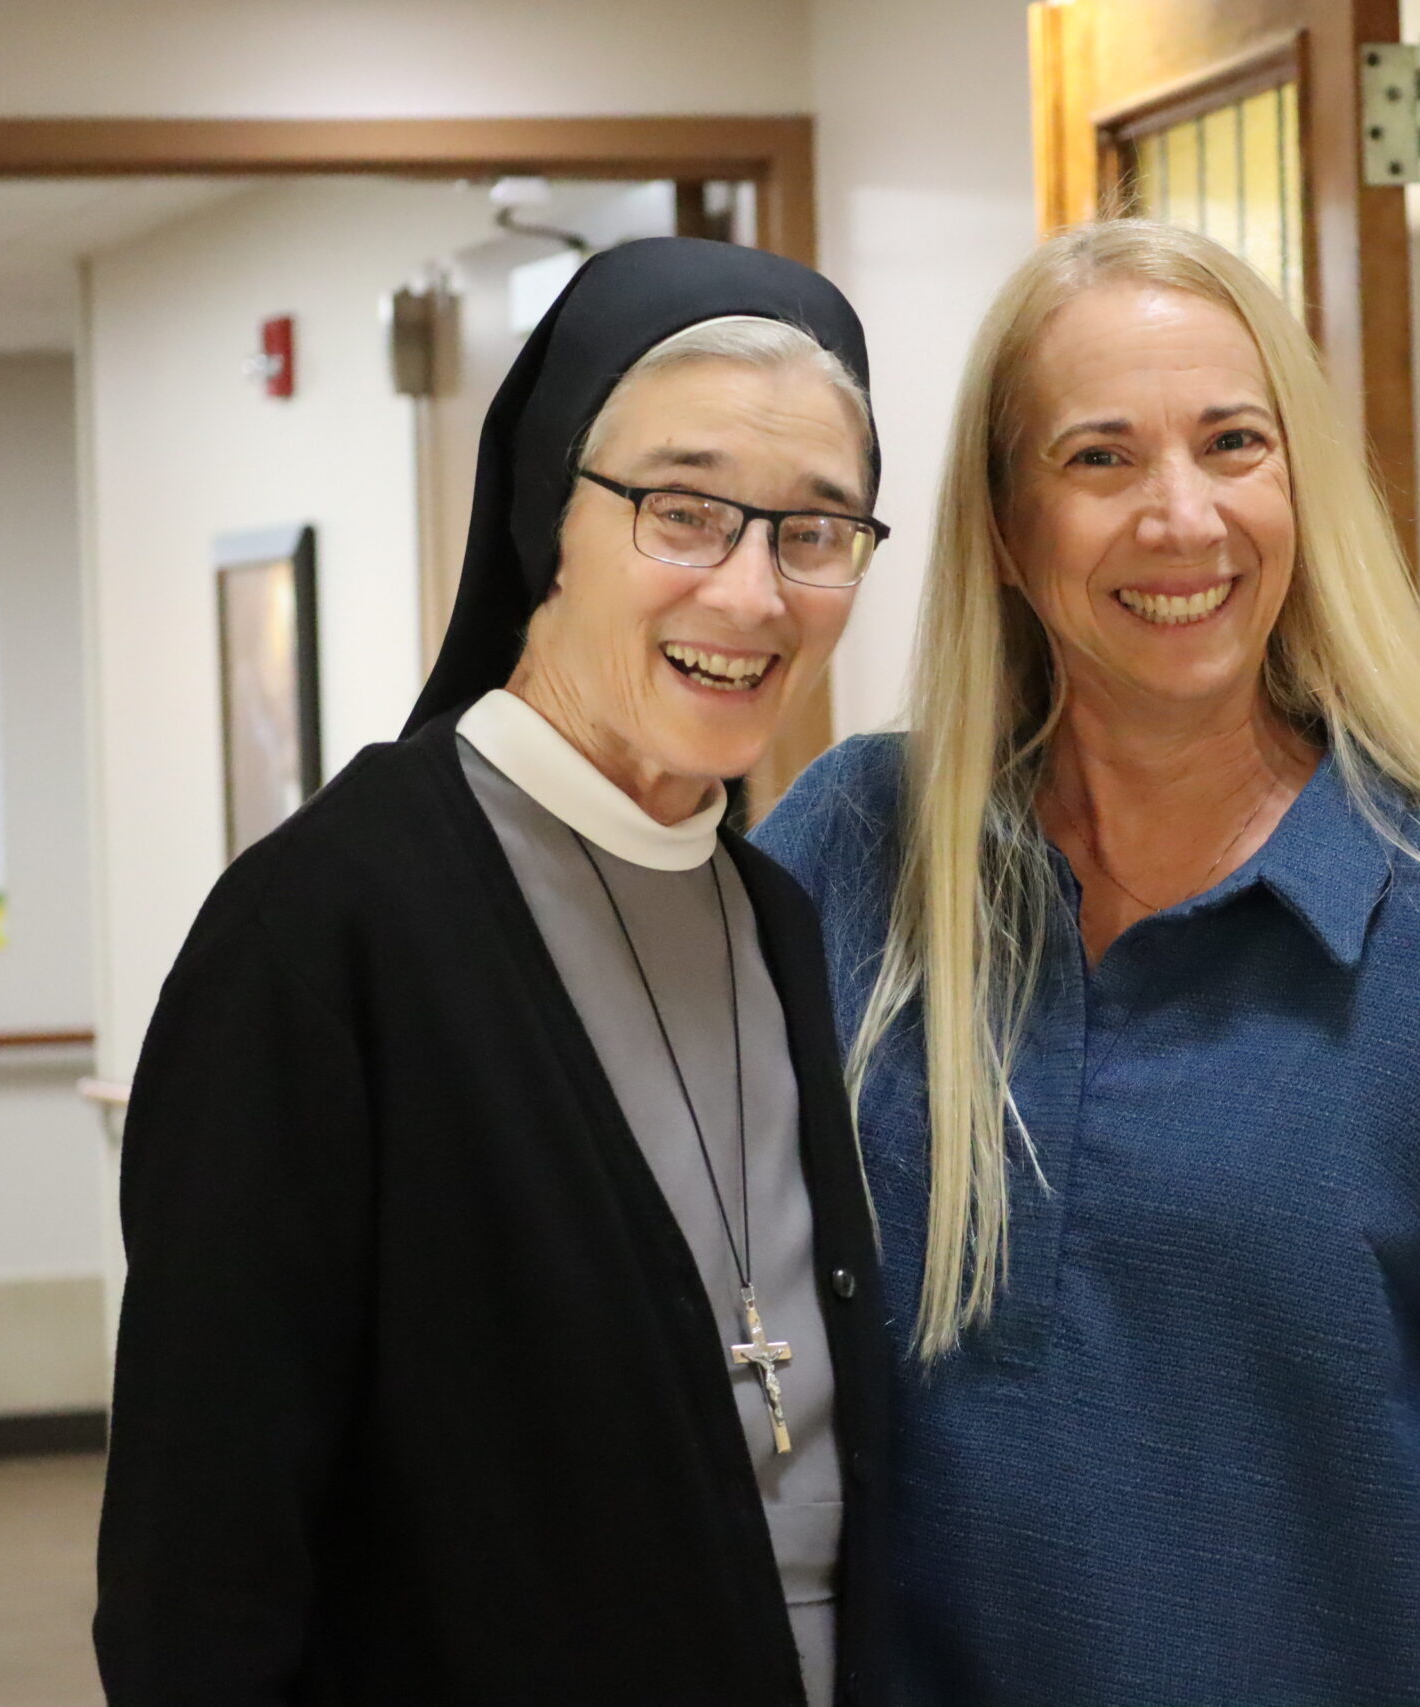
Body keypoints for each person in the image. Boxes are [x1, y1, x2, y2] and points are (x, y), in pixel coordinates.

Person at [754, 219, 1420, 1707]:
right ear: (1004, 522)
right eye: (1100, 459)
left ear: (1298, 484)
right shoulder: (855, 845)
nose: (1182, 518)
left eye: (1232, 443)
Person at [95, 237, 893, 1706]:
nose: (752, 592)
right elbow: (196, 1578)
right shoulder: (323, 933)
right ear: (550, 516)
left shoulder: (780, 917)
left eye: (814, 531)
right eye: (685, 511)